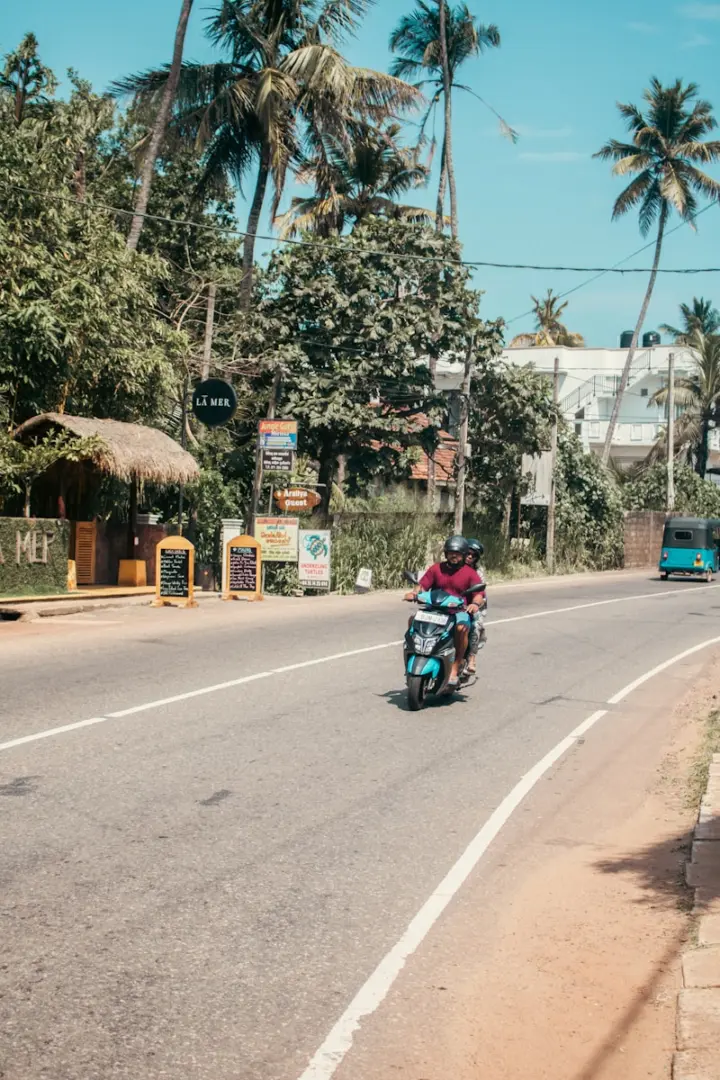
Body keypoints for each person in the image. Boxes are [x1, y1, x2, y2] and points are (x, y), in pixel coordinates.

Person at [404, 535, 482, 686]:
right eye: (451, 552)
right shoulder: (436, 568)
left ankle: (456, 665)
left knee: (461, 627)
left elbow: (479, 594)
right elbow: (422, 585)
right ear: (446, 553)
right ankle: (414, 651)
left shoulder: (470, 573)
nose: (454, 556)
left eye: (458, 553)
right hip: (434, 609)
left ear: (464, 555)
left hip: (458, 611)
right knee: (413, 620)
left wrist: (475, 604)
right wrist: (414, 593)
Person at [464, 538, 487, 674]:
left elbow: (481, 594)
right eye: (468, 553)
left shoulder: (478, 572)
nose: (470, 556)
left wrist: (475, 604)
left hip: (473, 605)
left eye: (473, 555)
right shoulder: (453, 565)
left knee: (475, 626)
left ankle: (471, 657)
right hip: (451, 603)